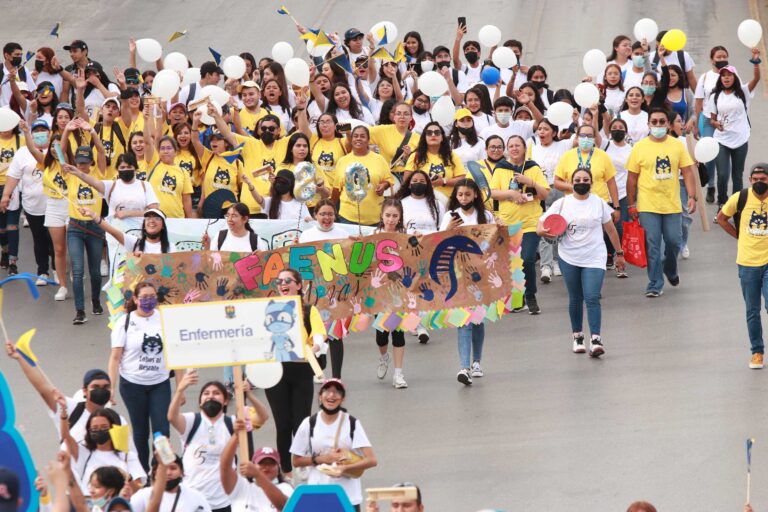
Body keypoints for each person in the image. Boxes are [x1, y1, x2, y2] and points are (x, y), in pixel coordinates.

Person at [538, 168, 625, 356]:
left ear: (591, 182)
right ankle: (578, 336)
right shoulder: (562, 203)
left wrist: (619, 254)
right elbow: (542, 223)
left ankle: (596, 339)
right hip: (569, 257)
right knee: (575, 298)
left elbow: (610, 230)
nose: (582, 182)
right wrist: (542, 231)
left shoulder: (599, 203)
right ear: (571, 182)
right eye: (577, 179)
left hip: (595, 256)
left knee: (592, 297)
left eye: (586, 179)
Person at [168, 375, 268, 512]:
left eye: (216, 393)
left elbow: (262, 418)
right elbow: (171, 417)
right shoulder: (192, 421)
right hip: (193, 498)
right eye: (206, 393)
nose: (210, 396)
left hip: (224, 500)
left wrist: (249, 394)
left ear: (226, 401)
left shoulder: (232, 423)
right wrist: (179, 390)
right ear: (200, 401)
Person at [626, 107, 697, 297]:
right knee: (653, 244)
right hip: (648, 205)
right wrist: (631, 204)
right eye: (654, 122)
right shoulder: (639, 147)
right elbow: (632, 178)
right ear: (648, 124)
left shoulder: (676, 145)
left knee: (674, 241)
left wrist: (692, 196)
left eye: (662, 122)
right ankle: (655, 283)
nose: (658, 125)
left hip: (672, 204)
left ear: (668, 124)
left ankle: (670, 268)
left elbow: (688, 171)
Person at [108, 281, 176, 472]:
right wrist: (111, 388)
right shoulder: (124, 323)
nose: (149, 301)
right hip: (132, 385)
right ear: (136, 300)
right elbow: (115, 358)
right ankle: (143, 472)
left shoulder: (164, 319)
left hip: (160, 383)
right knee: (140, 432)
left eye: (152, 297)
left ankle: (162, 470)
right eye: (144, 298)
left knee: (162, 431)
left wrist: (180, 387)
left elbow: (174, 353)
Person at [265, 268, 327, 477]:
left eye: (288, 280)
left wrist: (316, 347)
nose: (282, 284)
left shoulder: (309, 310)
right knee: (282, 424)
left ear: (298, 285)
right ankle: (287, 472)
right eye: (279, 281)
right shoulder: (268, 309)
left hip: (301, 369)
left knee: (301, 423)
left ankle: (304, 467)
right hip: (276, 371)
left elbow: (319, 334)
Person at [439, 179, 495, 385]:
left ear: (475, 196)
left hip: (480, 273)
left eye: (467, 195)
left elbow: (493, 240)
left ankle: (476, 362)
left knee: (478, 319)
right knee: (463, 320)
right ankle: (464, 366)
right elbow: (439, 242)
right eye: (460, 195)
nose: (463, 199)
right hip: (457, 273)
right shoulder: (450, 215)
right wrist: (448, 229)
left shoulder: (485, 216)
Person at [291, 379, 377, 511]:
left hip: (347, 496)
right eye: (327, 391)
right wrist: (322, 459)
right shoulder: (309, 423)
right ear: (320, 396)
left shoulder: (352, 423)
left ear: (342, 399)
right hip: (318, 493)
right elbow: (296, 461)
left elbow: (371, 460)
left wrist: (344, 468)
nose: (331, 395)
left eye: (337, 392)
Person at [716, 163, 768, 369]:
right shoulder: (741, 197)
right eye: (755, 180)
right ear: (749, 181)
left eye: (762, 180)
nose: (758, 183)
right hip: (747, 263)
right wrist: (739, 236)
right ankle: (757, 352)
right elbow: (721, 218)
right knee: (752, 311)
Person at [491, 135, 549, 314]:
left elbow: (544, 194)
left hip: (530, 223)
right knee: (513, 263)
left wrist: (529, 182)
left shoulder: (533, 168)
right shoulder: (500, 168)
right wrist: (511, 194)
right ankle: (518, 298)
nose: (514, 148)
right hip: (509, 223)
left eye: (518, 145)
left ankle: (530, 295)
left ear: (524, 148)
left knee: (527, 258)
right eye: (511, 146)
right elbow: (493, 193)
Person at [61, 134, 108, 324]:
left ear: (91, 161)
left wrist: (93, 132)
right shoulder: (70, 173)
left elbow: (102, 151)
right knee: (78, 270)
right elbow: (61, 151)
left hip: (95, 228)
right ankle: (80, 310)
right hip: (75, 227)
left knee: (95, 272)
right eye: (79, 162)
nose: (82, 165)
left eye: (85, 162)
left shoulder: (99, 173)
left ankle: (96, 301)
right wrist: (66, 132)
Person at [298, 200, 347, 380]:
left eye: (330, 214)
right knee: (315, 331)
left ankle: (336, 377)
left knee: (335, 333)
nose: (327, 218)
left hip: (336, 292)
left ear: (335, 215)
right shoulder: (306, 235)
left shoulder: (343, 233)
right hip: (313, 291)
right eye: (323, 214)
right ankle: (318, 367)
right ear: (315, 215)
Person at [2, 119, 54, 282]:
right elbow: (14, 176)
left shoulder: (56, 149)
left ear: (50, 133)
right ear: (31, 135)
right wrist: (6, 195)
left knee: (53, 241)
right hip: (32, 205)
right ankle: (42, 272)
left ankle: (58, 269)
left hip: (55, 205)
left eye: (43, 130)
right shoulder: (22, 152)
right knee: (39, 240)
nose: (40, 133)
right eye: (36, 131)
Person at [706, 56, 761, 209]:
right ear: (720, 79)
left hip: (741, 139)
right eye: (723, 76)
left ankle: (737, 206)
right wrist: (716, 124)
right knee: (722, 174)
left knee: (737, 175)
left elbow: (756, 78)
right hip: (721, 140)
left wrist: (756, 62)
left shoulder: (743, 92)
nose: (726, 78)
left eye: (729, 75)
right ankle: (722, 203)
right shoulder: (715, 96)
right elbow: (712, 119)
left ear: (734, 77)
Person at [59, 404, 146, 497]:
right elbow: (66, 437)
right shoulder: (84, 452)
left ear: (112, 428)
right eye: (94, 428)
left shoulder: (127, 456)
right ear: (89, 431)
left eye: (104, 427)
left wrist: (126, 477)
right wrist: (64, 415)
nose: (99, 431)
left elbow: (139, 492)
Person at [528, 119, 573, 282]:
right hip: (541, 191)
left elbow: (580, 136)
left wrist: (575, 120)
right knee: (544, 226)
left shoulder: (563, 145)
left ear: (554, 132)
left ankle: (557, 261)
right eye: (539, 129)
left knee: (559, 226)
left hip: (560, 189)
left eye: (545, 129)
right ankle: (545, 266)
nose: (541, 132)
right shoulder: (532, 147)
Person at [372, 199, 410, 388]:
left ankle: (398, 374)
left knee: (398, 332)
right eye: (388, 215)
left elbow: (418, 253)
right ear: (381, 215)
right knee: (381, 334)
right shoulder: (373, 236)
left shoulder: (406, 237)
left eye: (395, 216)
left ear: (400, 217)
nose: (391, 219)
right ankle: (383, 357)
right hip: (378, 292)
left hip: (398, 293)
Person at [68, 153, 159, 218]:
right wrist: (77, 172)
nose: (126, 169)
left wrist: (128, 213)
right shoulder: (111, 185)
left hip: (139, 231)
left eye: (129, 167)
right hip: (115, 234)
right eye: (122, 167)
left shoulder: (145, 185)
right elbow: (93, 182)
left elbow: (155, 212)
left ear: (135, 169)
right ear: (117, 169)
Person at [334, 126, 394, 225]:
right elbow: (336, 188)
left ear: (368, 140)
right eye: (355, 136)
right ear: (351, 139)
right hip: (347, 218)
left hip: (374, 218)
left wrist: (384, 185)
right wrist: (332, 207)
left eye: (362, 136)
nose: (358, 138)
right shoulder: (342, 161)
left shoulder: (379, 159)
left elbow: (389, 179)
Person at [220, 435, 294, 512]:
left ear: (278, 468)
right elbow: (224, 467)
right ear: (253, 464)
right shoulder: (242, 486)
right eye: (262, 463)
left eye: (271, 463)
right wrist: (236, 435)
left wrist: (258, 475)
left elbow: (285, 506)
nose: (267, 467)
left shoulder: (286, 488)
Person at [600, 118, 632, 277]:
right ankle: (608, 254)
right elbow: (594, 131)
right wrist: (595, 112)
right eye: (614, 127)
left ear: (626, 131)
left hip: (623, 193)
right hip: (605, 193)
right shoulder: (605, 145)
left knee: (620, 227)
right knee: (605, 227)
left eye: (621, 127)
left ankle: (620, 258)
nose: (617, 129)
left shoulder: (631, 149)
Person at [403, 122, 466, 204]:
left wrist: (444, 182)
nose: (433, 135)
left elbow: (462, 179)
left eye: (437, 132)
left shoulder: (452, 156)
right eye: (429, 133)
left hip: (448, 203)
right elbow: (406, 181)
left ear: (442, 137)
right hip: (422, 202)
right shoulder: (415, 156)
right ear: (424, 137)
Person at [130, 454, 211, 512]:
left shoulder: (196, 497)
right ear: (154, 473)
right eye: (164, 469)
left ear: (182, 472)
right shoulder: (143, 496)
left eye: (173, 468)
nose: (168, 473)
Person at [86, 207, 174, 255]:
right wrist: (94, 215)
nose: (151, 220)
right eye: (148, 218)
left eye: (157, 218)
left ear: (163, 226)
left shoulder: (170, 247)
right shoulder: (134, 242)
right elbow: (112, 231)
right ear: (144, 225)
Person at [145, 136, 193, 219]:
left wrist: (190, 220)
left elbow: (186, 200)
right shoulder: (152, 165)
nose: (165, 151)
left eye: (169, 148)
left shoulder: (183, 172)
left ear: (176, 151)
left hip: (177, 219)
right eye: (162, 148)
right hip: (155, 218)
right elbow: (147, 143)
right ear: (158, 152)